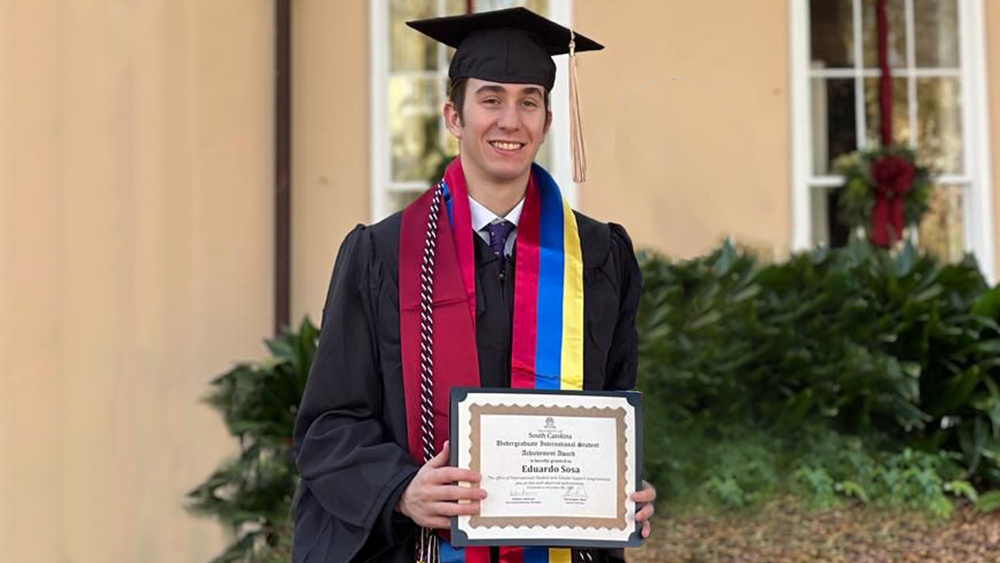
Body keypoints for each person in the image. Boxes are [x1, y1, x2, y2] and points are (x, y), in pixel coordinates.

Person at [292, 7, 654, 563]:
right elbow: (329, 426)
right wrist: (401, 490)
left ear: (547, 122)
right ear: (454, 117)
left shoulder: (602, 258)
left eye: (529, 101)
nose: (511, 120)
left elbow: (610, 409)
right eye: (491, 99)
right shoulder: (381, 255)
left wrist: (620, 492)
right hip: (423, 552)